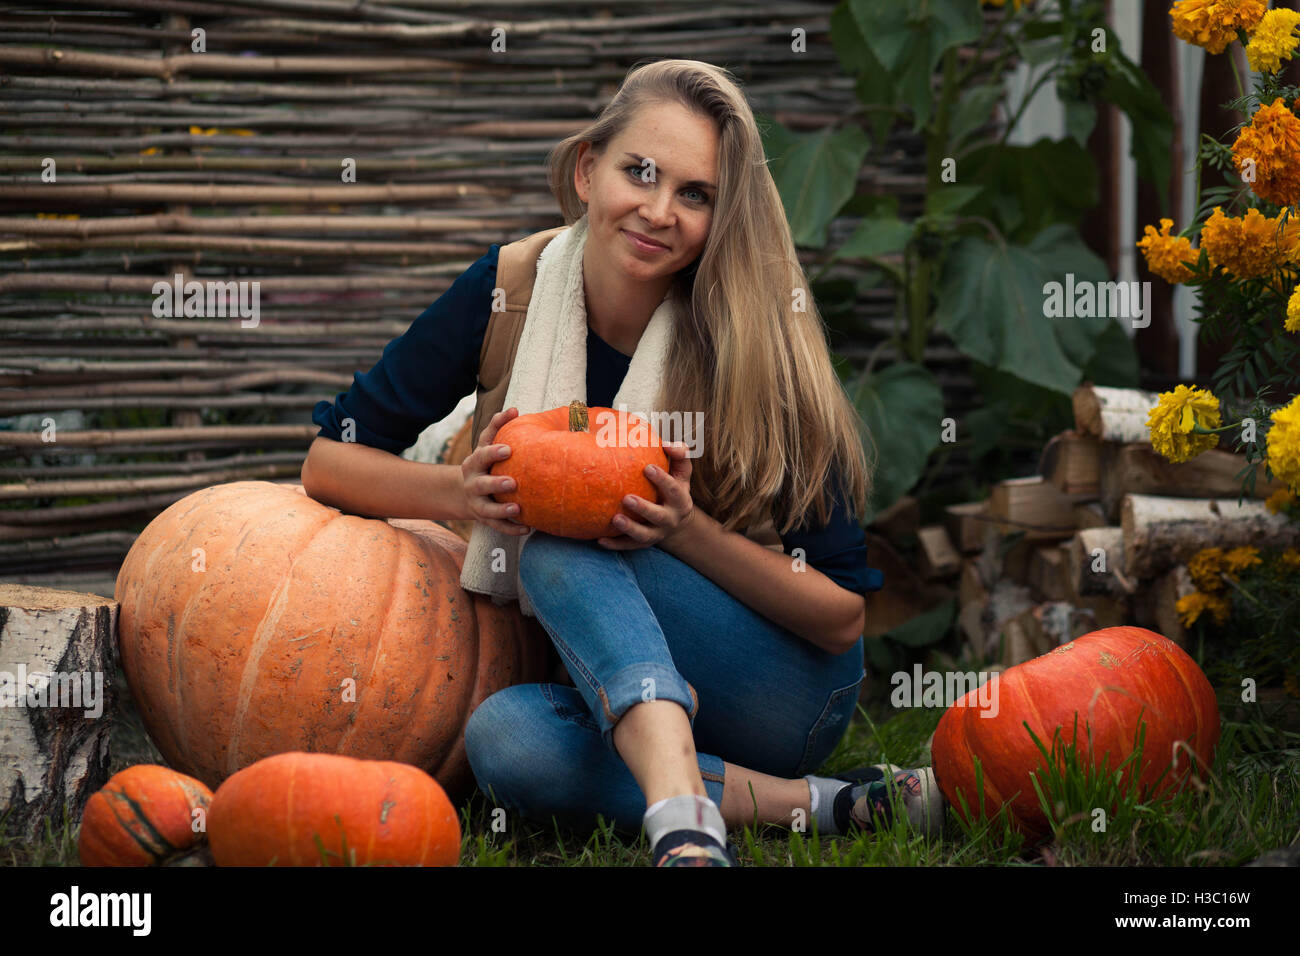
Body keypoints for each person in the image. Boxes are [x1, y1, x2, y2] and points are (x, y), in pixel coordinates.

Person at [302, 58, 944, 867]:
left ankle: (683, 803)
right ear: (586, 169)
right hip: (616, 686)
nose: (659, 210)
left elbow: (841, 615)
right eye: (639, 171)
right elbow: (329, 462)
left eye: (695, 193)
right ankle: (819, 806)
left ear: (721, 213)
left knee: (563, 539)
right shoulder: (509, 292)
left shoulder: (752, 339)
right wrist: (462, 489)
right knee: (505, 741)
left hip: (780, 688)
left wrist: (682, 532)